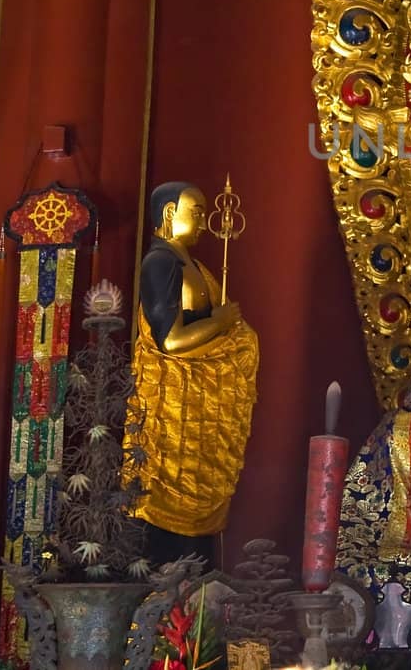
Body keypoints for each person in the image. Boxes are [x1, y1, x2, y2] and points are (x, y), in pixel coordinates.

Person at [125, 182, 259, 566]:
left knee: (197, 555)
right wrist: (219, 320)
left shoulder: (193, 266)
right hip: (170, 415)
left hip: (197, 417)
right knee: (163, 545)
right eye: (196, 211)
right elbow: (170, 342)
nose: (205, 220)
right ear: (169, 213)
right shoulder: (160, 263)